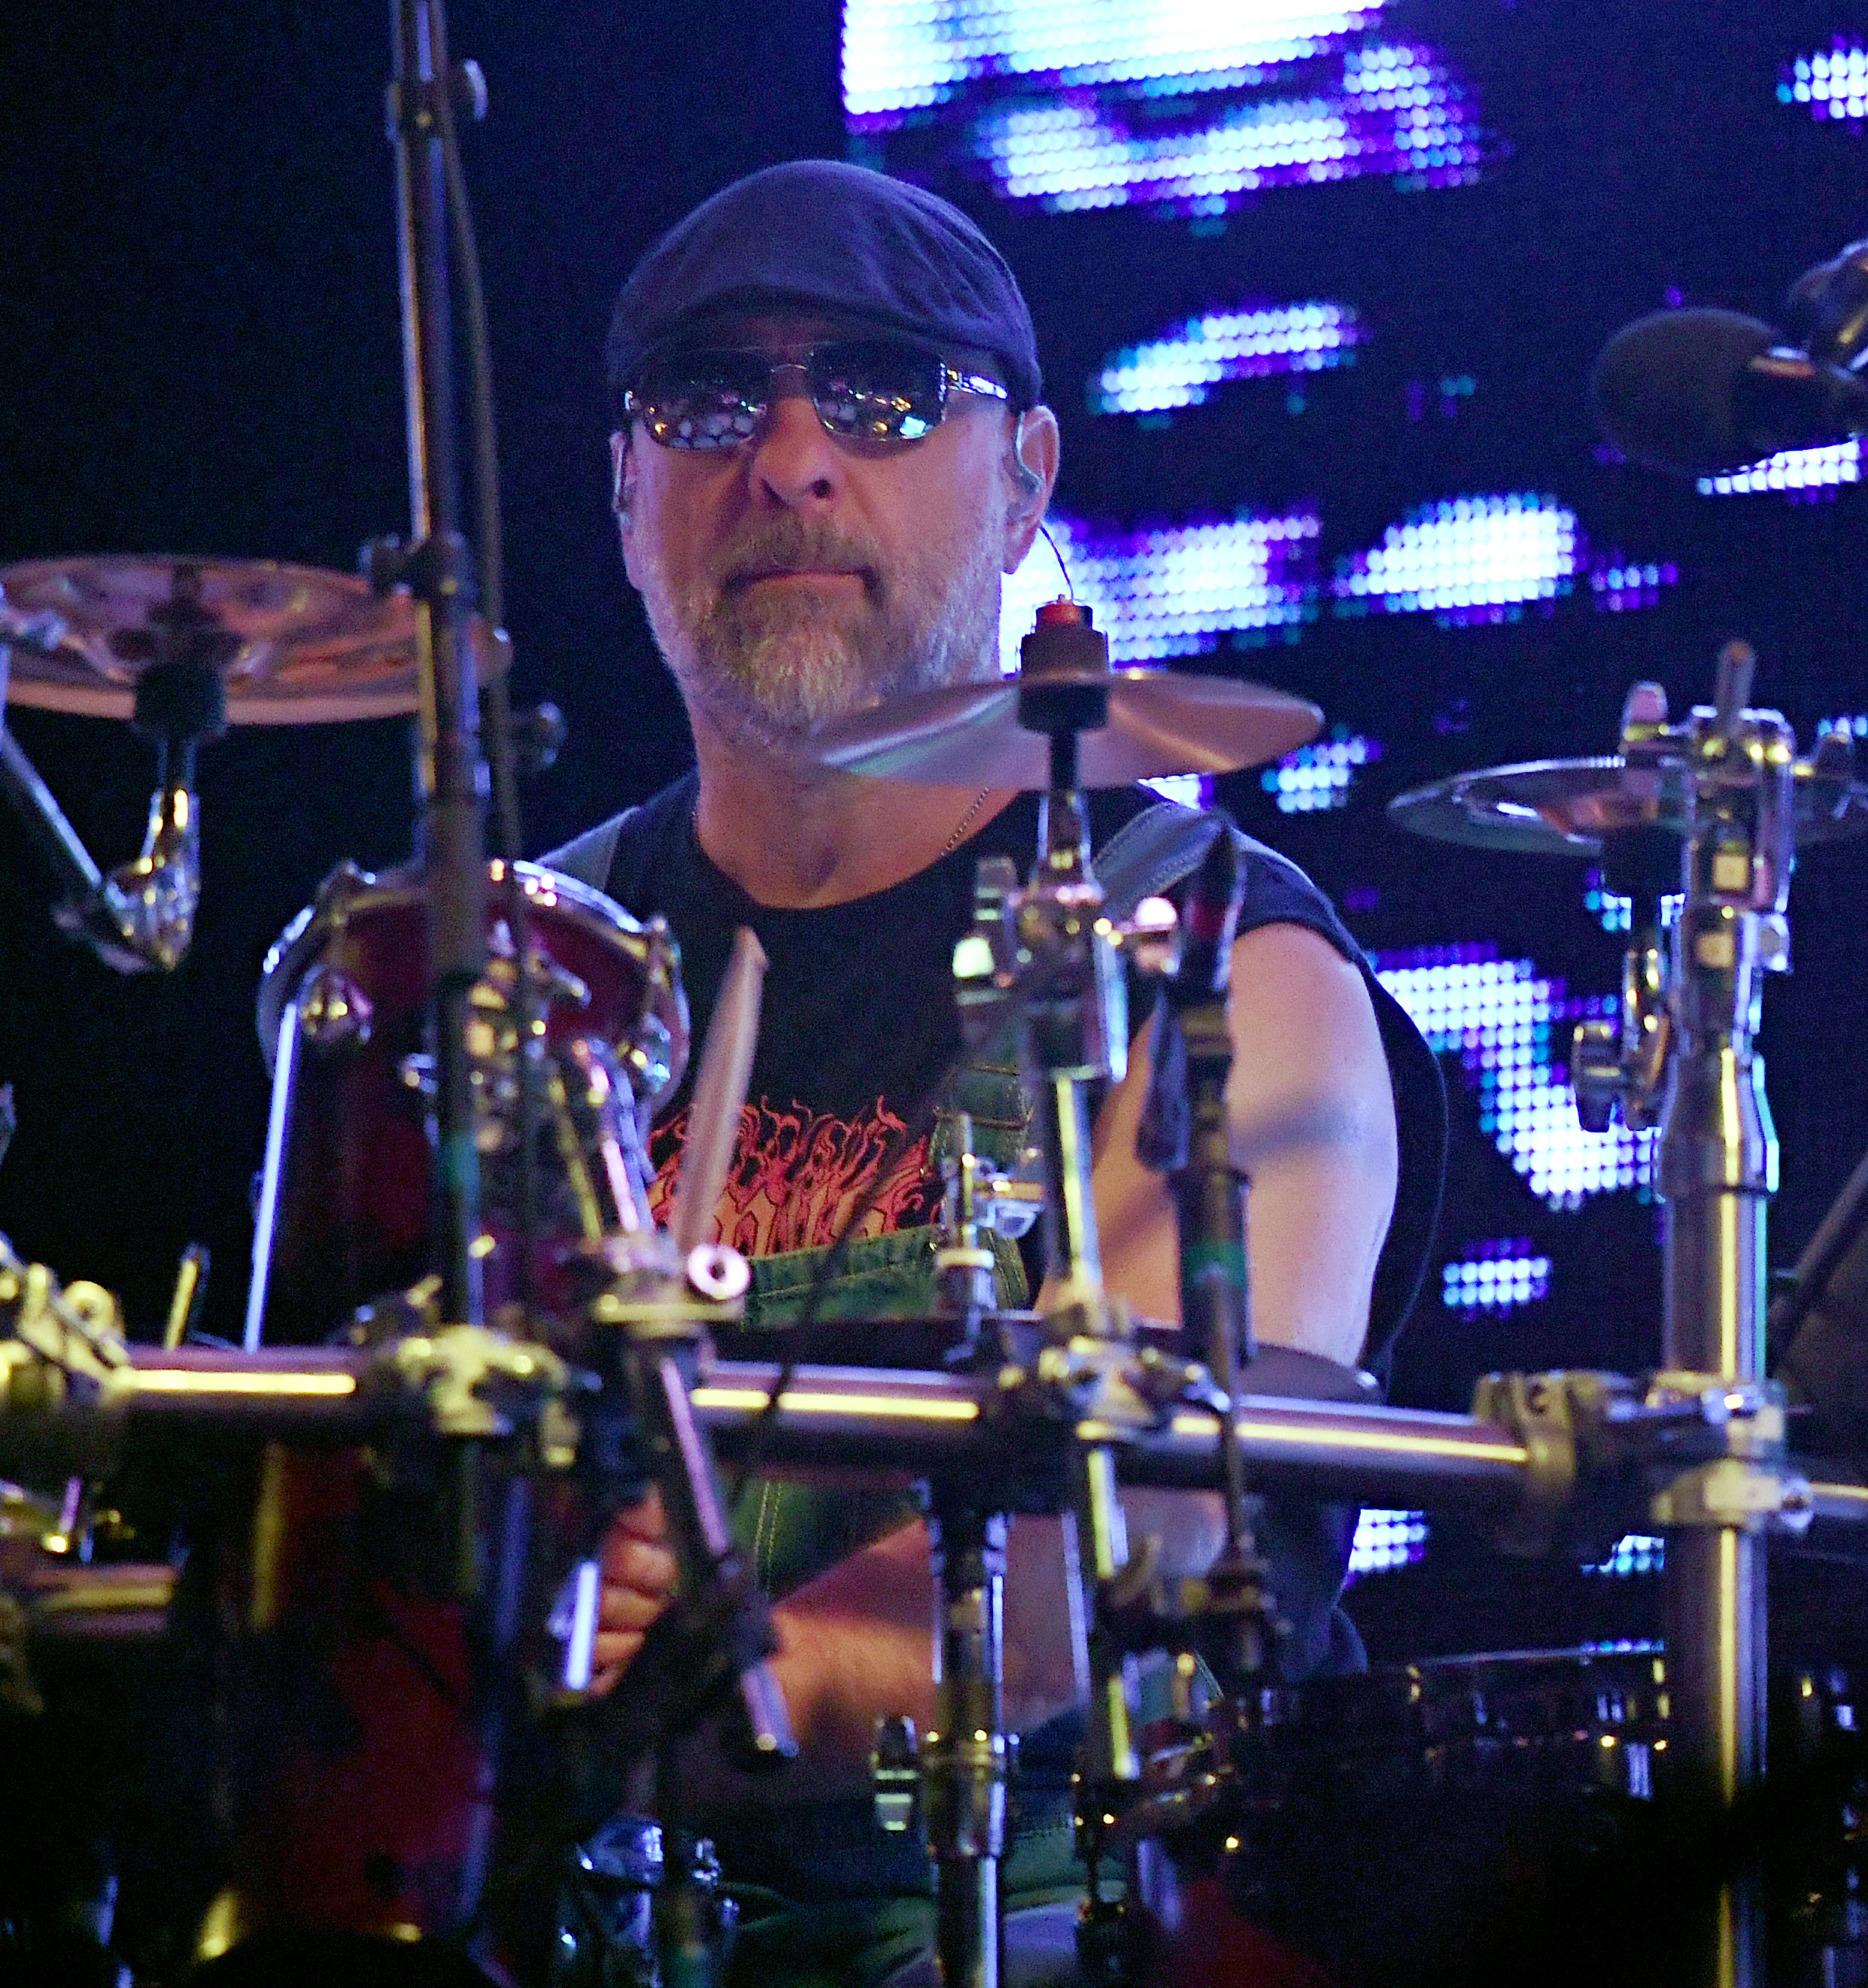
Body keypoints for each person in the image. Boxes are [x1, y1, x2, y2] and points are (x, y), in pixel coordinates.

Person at [541, 159, 1442, 1985]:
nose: (789, 458)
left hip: (1061, 1915)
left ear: (1026, 471)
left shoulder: (1215, 956)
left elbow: (1168, 1524)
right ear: (626, 487)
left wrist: (698, 1685)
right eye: (711, 400)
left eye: (876, 393)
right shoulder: (529, 969)